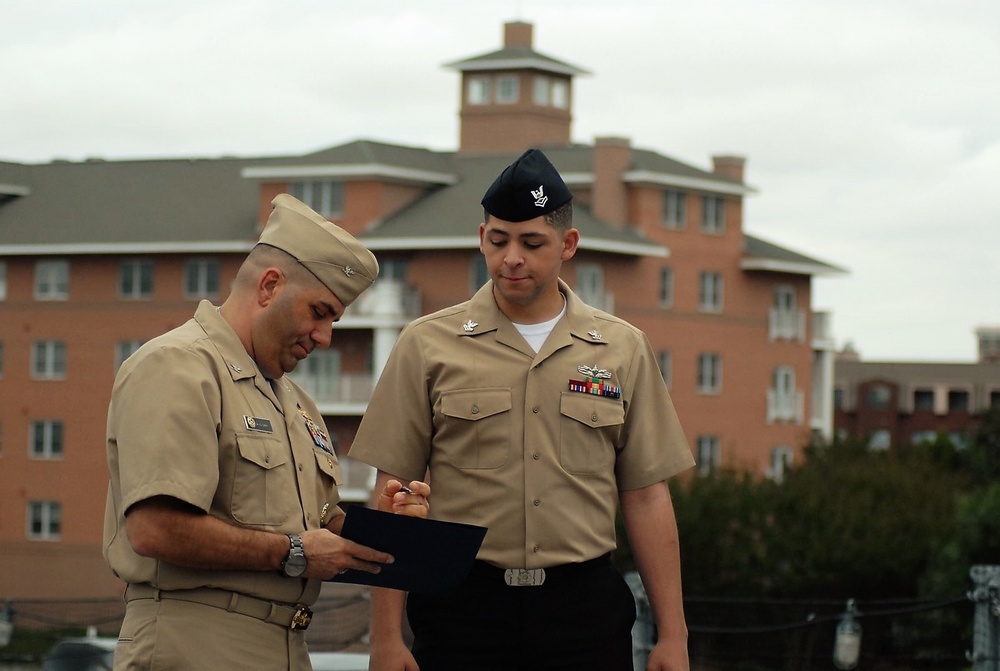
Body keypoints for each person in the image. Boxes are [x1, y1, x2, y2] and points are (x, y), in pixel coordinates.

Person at [349, 149, 695, 671]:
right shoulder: (427, 345)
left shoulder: (622, 349)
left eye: (532, 243)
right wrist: (385, 638)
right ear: (481, 237)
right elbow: (392, 493)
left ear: (567, 245)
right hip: (462, 607)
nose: (512, 257)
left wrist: (674, 634)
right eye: (498, 240)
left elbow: (646, 495)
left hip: (583, 611)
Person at [103, 194, 430, 671]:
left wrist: (388, 520)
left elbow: (313, 527)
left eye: (333, 320)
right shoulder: (178, 366)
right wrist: (293, 552)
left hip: (285, 644)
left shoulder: (296, 403)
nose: (324, 337)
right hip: (193, 643)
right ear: (270, 286)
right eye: (319, 312)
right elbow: (155, 529)